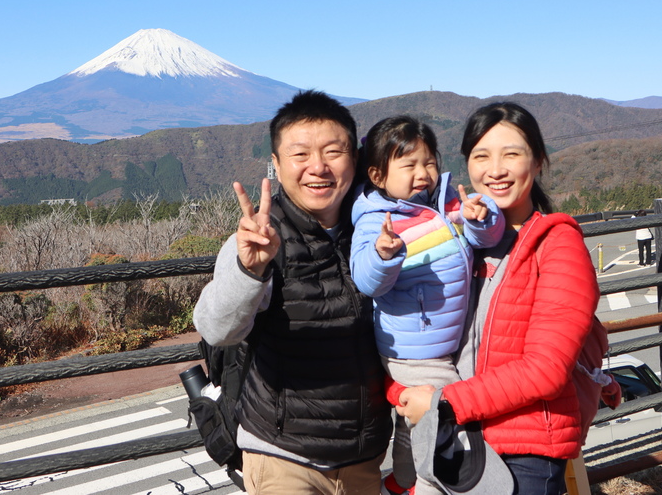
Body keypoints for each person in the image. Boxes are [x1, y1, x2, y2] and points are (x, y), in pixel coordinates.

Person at [394, 102, 604, 495]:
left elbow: (546, 369)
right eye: (481, 156)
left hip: (522, 453)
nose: (495, 170)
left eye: (512, 154)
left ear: (538, 161)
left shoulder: (557, 244)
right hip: (458, 439)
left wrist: (444, 404)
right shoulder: (459, 242)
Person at [192, 90, 392, 495]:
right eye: (300, 155)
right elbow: (216, 328)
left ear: (355, 158)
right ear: (277, 166)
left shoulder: (379, 230)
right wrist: (250, 269)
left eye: (333, 152)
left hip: (366, 456)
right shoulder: (262, 238)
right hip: (283, 457)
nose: (317, 167)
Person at [349, 115, 505, 495]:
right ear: (378, 175)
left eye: (430, 162)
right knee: (449, 425)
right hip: (415, 352)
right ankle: (431, 486)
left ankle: (402, 481)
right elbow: (367, 281)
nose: (423, 173)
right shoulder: (376, 222)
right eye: (409, 165)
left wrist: (481, 220)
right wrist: (384, 255)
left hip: (446, 344)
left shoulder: (445, 204)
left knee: (415, 426)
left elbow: (486, 237)